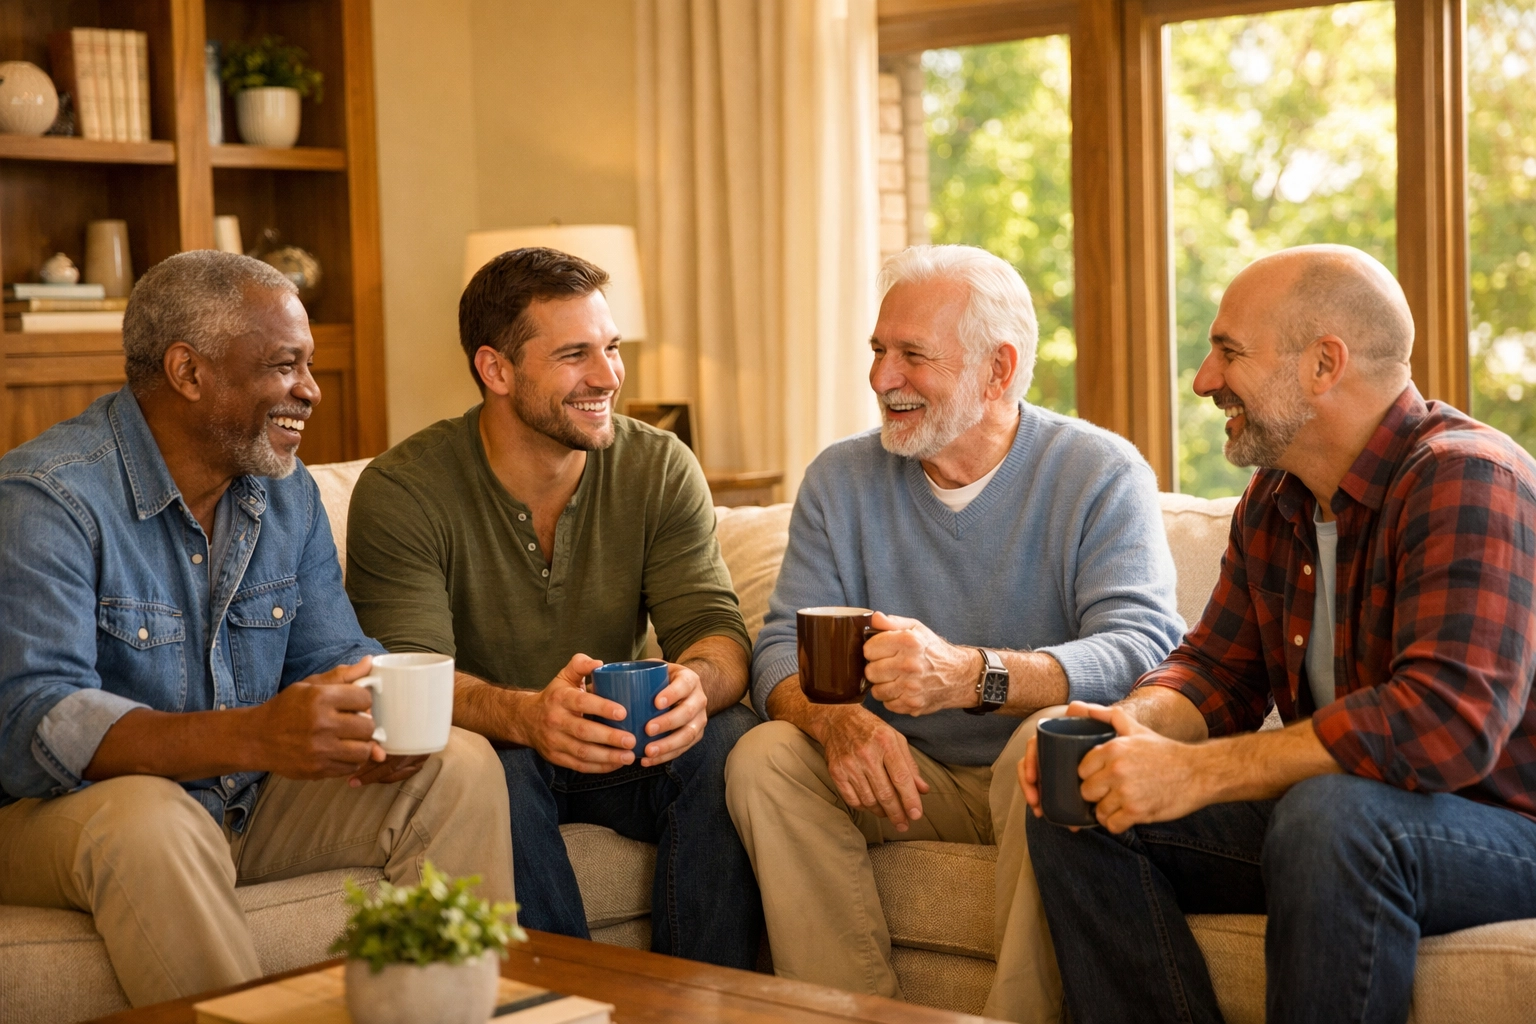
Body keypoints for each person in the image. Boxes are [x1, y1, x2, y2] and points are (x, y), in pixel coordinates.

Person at [1022, 244, 1536, 1024]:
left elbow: (1442, 725)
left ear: (1323, 364)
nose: (1202, 379)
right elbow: (1216, 671)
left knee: (1330, 813)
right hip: (1342, 824)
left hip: (1501, 832)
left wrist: (1197, 775)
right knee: (1085, 797)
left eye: (1228, 351)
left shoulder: (1467, 477)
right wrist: (1134, 729)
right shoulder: (1277, 499)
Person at [0, 251, 513, 1008]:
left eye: (308, 365)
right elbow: (35, 726)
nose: (309, 389)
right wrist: (255, 736)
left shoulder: (284, 492)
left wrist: (376, 725)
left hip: (245, 800)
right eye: (285, 365)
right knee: (150, 820)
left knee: (455, 765)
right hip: (58, 820)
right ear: (188, 371)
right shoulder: (50, 498)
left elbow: (334, 656)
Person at [723, 244, 1185, 1019]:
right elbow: (778, 647)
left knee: (1054, 739)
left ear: (999, 370)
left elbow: (1142, 646)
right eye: (877, 351)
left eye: (911, 356)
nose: (880, 379)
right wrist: (834, 721)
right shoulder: (840, 480)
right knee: (765, 755)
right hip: (903, 778)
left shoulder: (1098, 472)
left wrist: (974, 675)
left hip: (1028, 770)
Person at [345, 247, 763, 969]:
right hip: (503, 750)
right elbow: (406, 679)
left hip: (625, 744)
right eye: (574, 355)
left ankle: (700, 1008)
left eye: (611, 348)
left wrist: (699, 685)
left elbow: (716, 633)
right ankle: (567, 1008)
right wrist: (528, 716)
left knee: (727, 742)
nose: (607, 377)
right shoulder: (404, 490)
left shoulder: (658, 466)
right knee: (487, 772)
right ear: (496, 370)